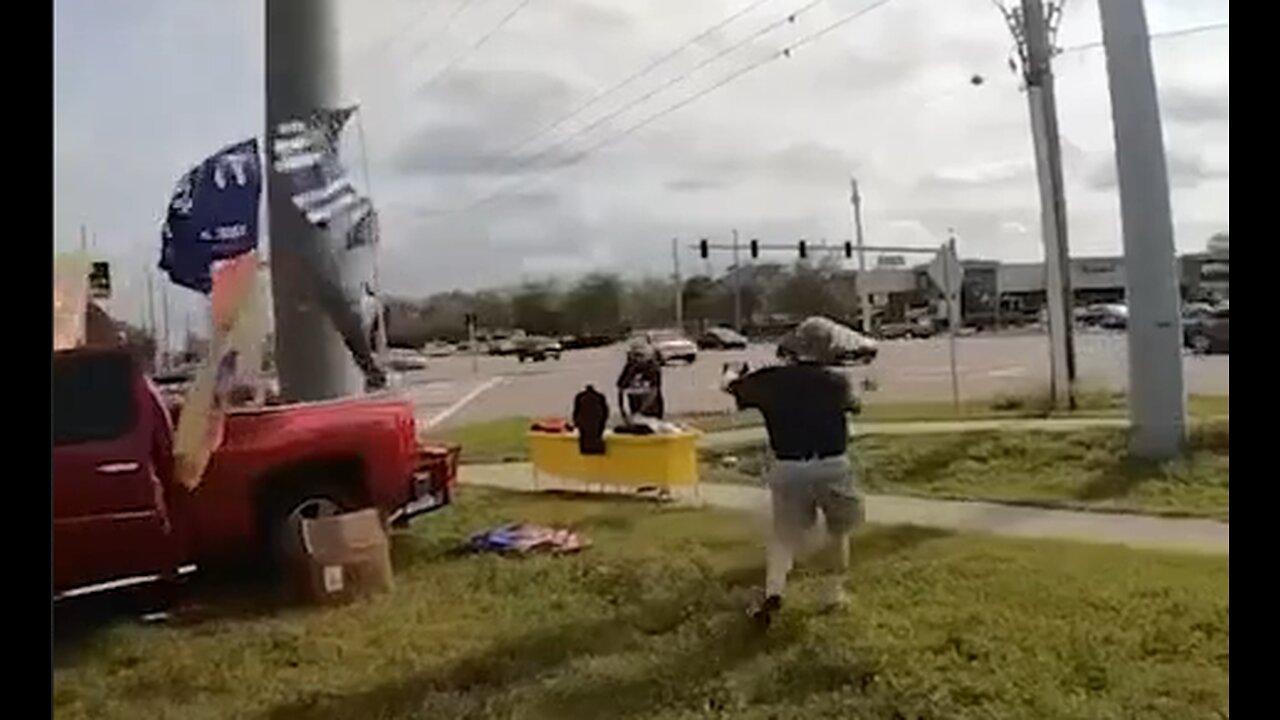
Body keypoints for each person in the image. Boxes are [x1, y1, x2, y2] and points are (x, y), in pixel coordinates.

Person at [724, 319, 864, 628]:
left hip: (789, 466)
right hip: (832, 463)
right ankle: (833, 594)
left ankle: (774, 590)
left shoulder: (769, 380)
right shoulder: (836, 381)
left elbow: (733, 389)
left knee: (783, 533)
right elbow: (855, 405)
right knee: (839, 530)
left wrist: (732, 377)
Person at [616, 339, 665, 420]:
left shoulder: (652, 368)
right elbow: (621, 388)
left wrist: (641, 410)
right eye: (634, 355)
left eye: (639, 356)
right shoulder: (629, 368)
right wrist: (623, 411)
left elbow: (653, 391)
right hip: (635, 408)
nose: (637, 359)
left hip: (652, 411)